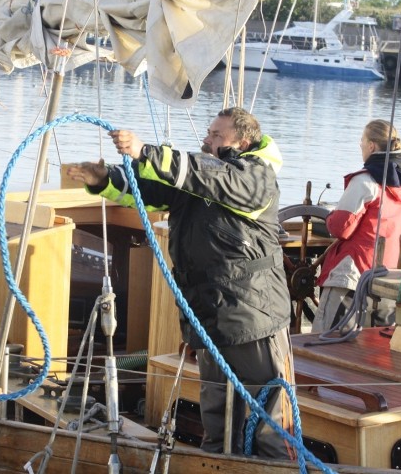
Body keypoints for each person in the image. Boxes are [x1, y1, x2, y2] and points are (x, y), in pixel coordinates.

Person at [66, 107, 295, 460]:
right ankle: (215, 464)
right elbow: (151, 191)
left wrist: (146, 152)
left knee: (266, 418)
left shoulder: (255, 177)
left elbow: (211, 176)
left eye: (216, 135)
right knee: (217, 411)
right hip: (211, 315)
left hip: (253, 316)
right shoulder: (205, 177)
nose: (207, 140)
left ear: (243, 141)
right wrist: (104, 179)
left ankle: (274, 469)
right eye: (208, 133)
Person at [311, 119, 401, 334]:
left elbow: (341, 228)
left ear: (371, 146)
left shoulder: (365, 181)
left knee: (328, 338)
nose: (360, 146)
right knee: (377, 342)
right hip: (391, 274)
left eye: (362, 141)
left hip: (355, 273)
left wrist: (330, 217)